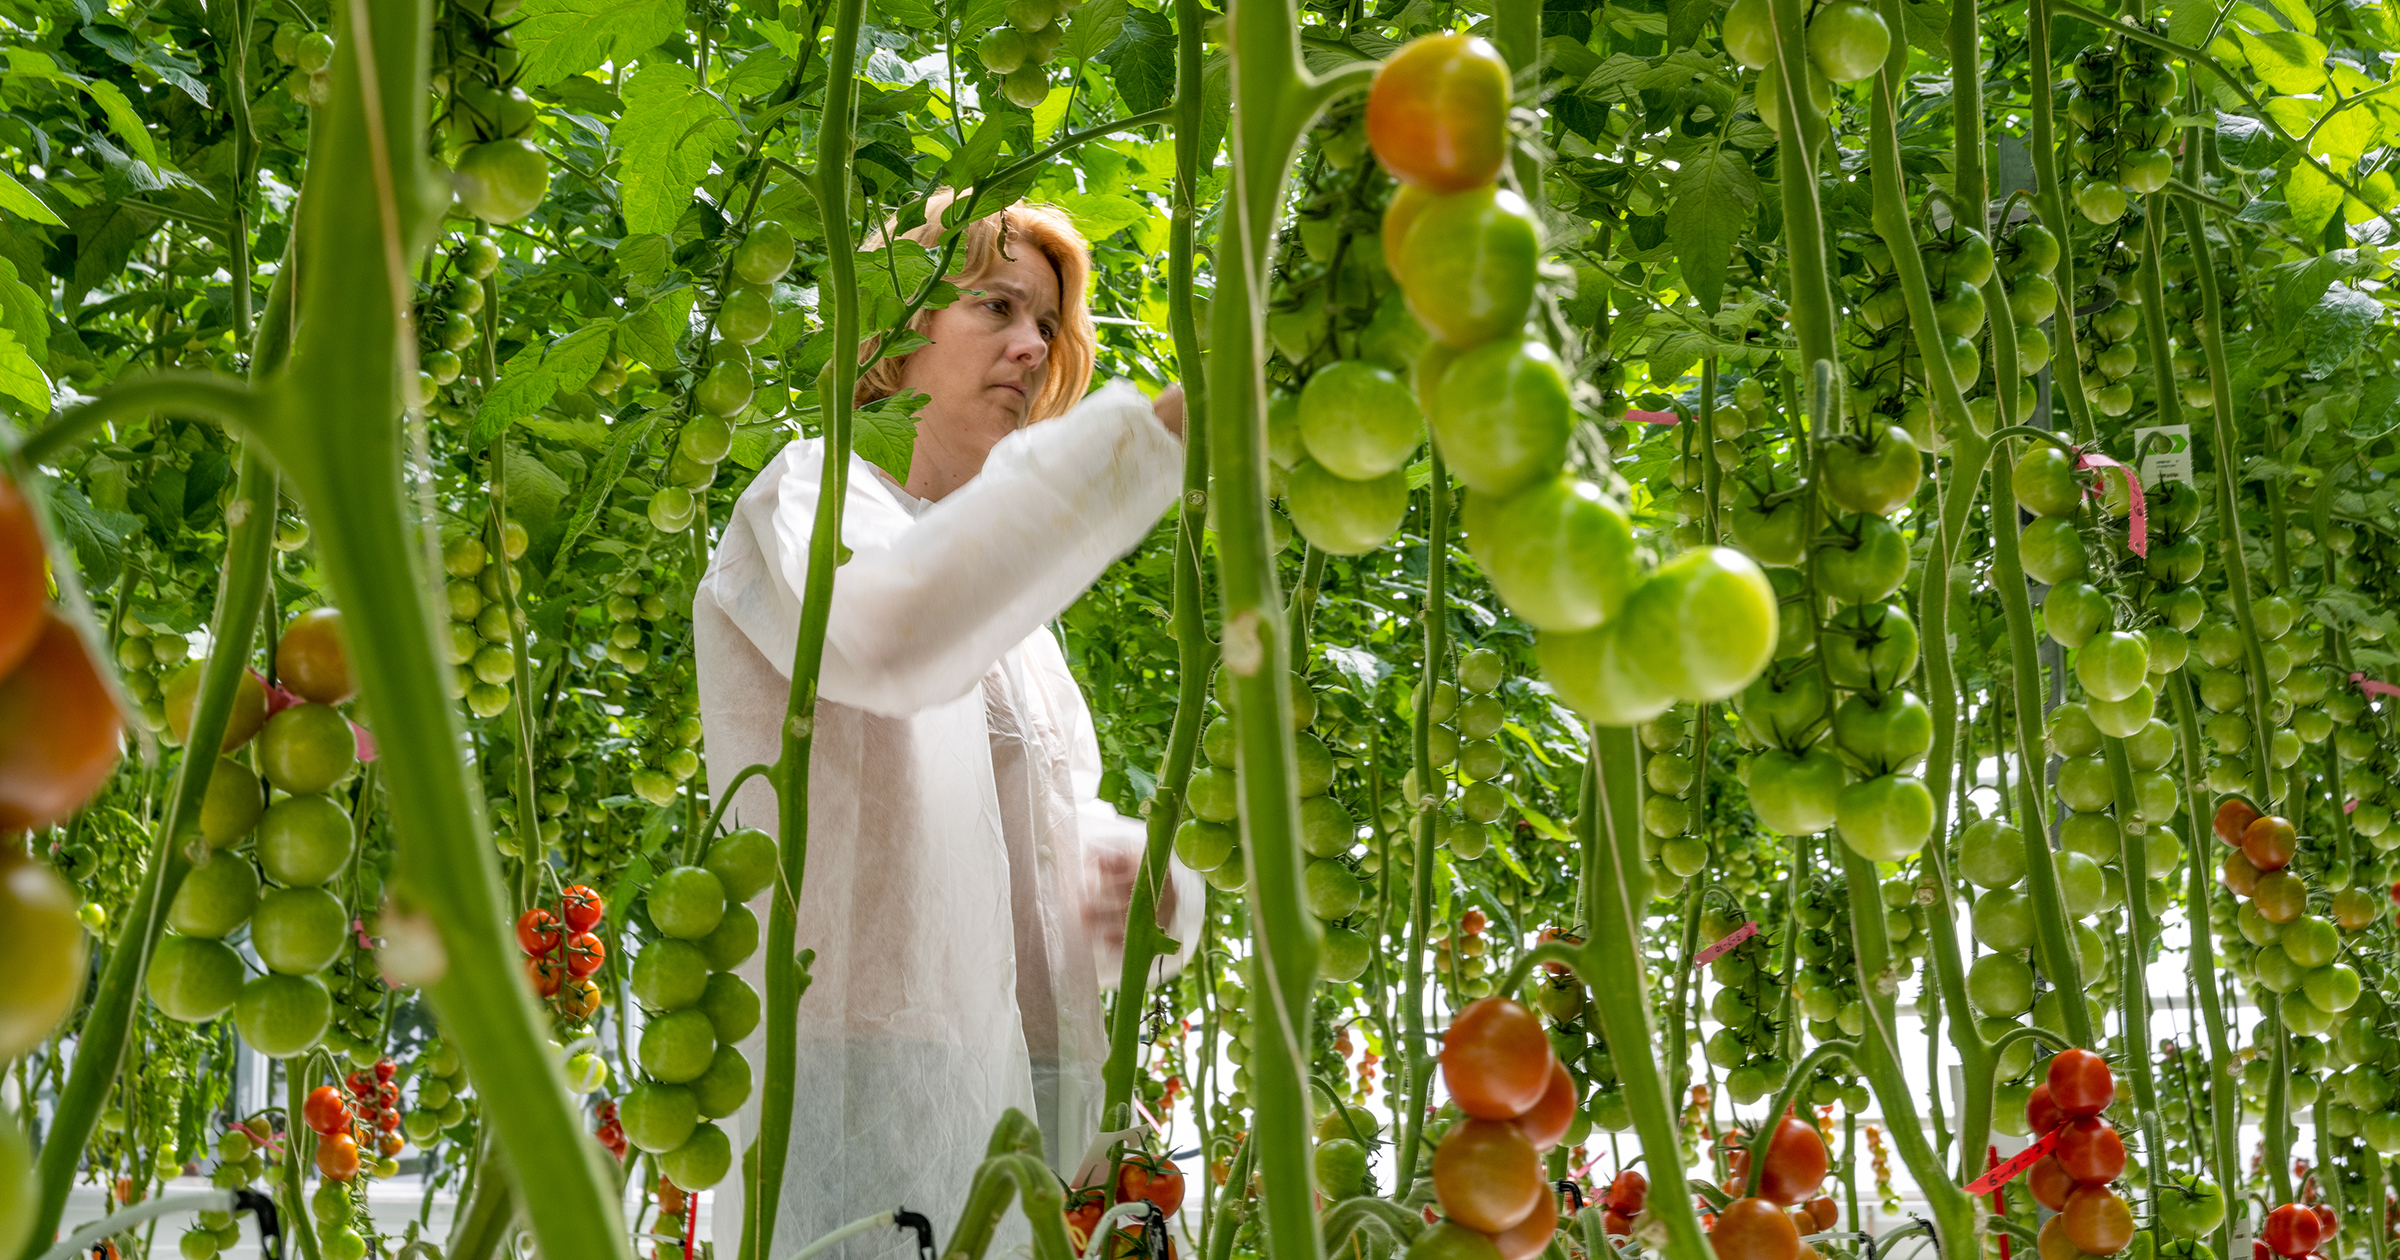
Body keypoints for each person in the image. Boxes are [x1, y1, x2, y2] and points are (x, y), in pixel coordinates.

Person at [694, 195, 1202, 1258]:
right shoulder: (813, 498)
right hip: (865, 1089)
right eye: (996, 305)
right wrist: (1147, 442)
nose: (1032, 343)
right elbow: (890, 636)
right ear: (896, 324)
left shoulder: (1018, 616)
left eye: (1049, 324)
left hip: (1033, 1087)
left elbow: (1027, 828)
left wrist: (1137, 882)